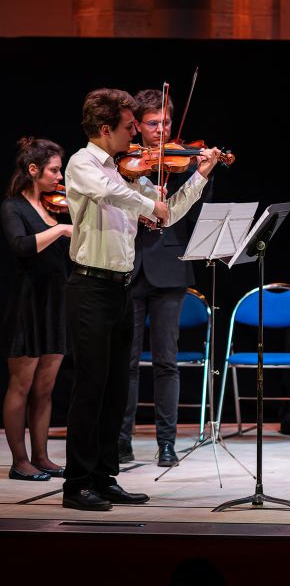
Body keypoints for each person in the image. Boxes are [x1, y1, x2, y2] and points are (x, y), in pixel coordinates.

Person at [62, 88, 219, 511]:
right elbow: (112, 196)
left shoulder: (128, 174)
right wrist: (148, 200)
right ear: (104, 128)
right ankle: (76, 483)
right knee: (90, 388)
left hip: (120, 286)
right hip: (90, 286)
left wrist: (201, 176)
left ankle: (104, 475)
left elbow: (168, 211)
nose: (136, 136)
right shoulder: (84, 164)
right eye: (130, 127)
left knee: (114, 389)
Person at [118, 89, 212, 467]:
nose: (161, 130)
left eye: (166, 123)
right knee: (124, 361)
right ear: (137, 125)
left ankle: (167, 443)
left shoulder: (182, 163)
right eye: (153, 124)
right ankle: (121, 440)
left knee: (166, 361)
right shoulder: (123, 164)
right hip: (129, 264)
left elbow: (196, 212)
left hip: (169, 269)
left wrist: (200, 171)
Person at [1, 138, 72, 481]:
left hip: (56, 303)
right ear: (34, 170)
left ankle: (42, 456)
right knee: (21, 384)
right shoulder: (13, 207)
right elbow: (21, 246)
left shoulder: (56, 206)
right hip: (27, 304)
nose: (60, 176)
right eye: (55, 170)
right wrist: (60, 230)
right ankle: (19, 460)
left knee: (45, 387)